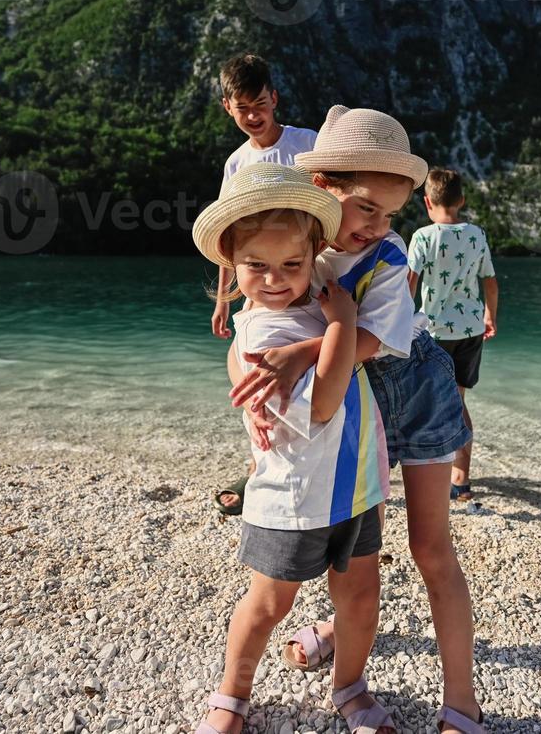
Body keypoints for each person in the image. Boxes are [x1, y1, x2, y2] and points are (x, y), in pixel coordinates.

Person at [229, 107, 486, 734]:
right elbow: (253, 311)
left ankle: (461, 703)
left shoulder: (389, 259)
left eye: (391, 213)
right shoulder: (301, 245)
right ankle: (338, 636)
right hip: (352, 409)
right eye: (366, 208)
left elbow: (369, 340)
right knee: (343, 526)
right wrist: (244, 371)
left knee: (429, 546)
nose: (377, 226)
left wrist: (296, 354)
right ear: (323, 190)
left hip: (414, 395)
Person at [191, 163, 394, 734]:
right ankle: (230, 696)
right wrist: (340, 324)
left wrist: (336, 320)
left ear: (313, 257)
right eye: (257, 266)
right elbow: (324, 402)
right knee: (268, 604)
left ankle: (350, 686)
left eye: (292, 265)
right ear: (232, 263)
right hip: (292, 497)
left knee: (358, 597)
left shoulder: (314, 302)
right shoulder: (261, 336)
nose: (277, 279)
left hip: (353, 485)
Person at [211, 53, 318, 516]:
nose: (254, 116)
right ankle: (262, 460)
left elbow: (334, 206)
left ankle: (317, 457)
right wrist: (223, 299)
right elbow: (229, 236)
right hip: (257, 280)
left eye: (260, 104)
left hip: (305, 272)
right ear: (227, 108)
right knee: (246, 357)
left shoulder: (306, 144)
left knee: (313, 360)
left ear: (274, 99)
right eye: (242, 108)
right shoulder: (236, 165)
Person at [407, 168, 498, 504]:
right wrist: (490, 314)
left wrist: (398, 320)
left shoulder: (423, 237)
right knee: (458, 402)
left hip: (434, 332)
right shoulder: (476, 235)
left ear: (428, 202)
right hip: (470, 330)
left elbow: (410, 281)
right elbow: (490, 280)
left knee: (428, 403)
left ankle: (430, 473)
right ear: (461, 200)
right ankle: (461, 481)